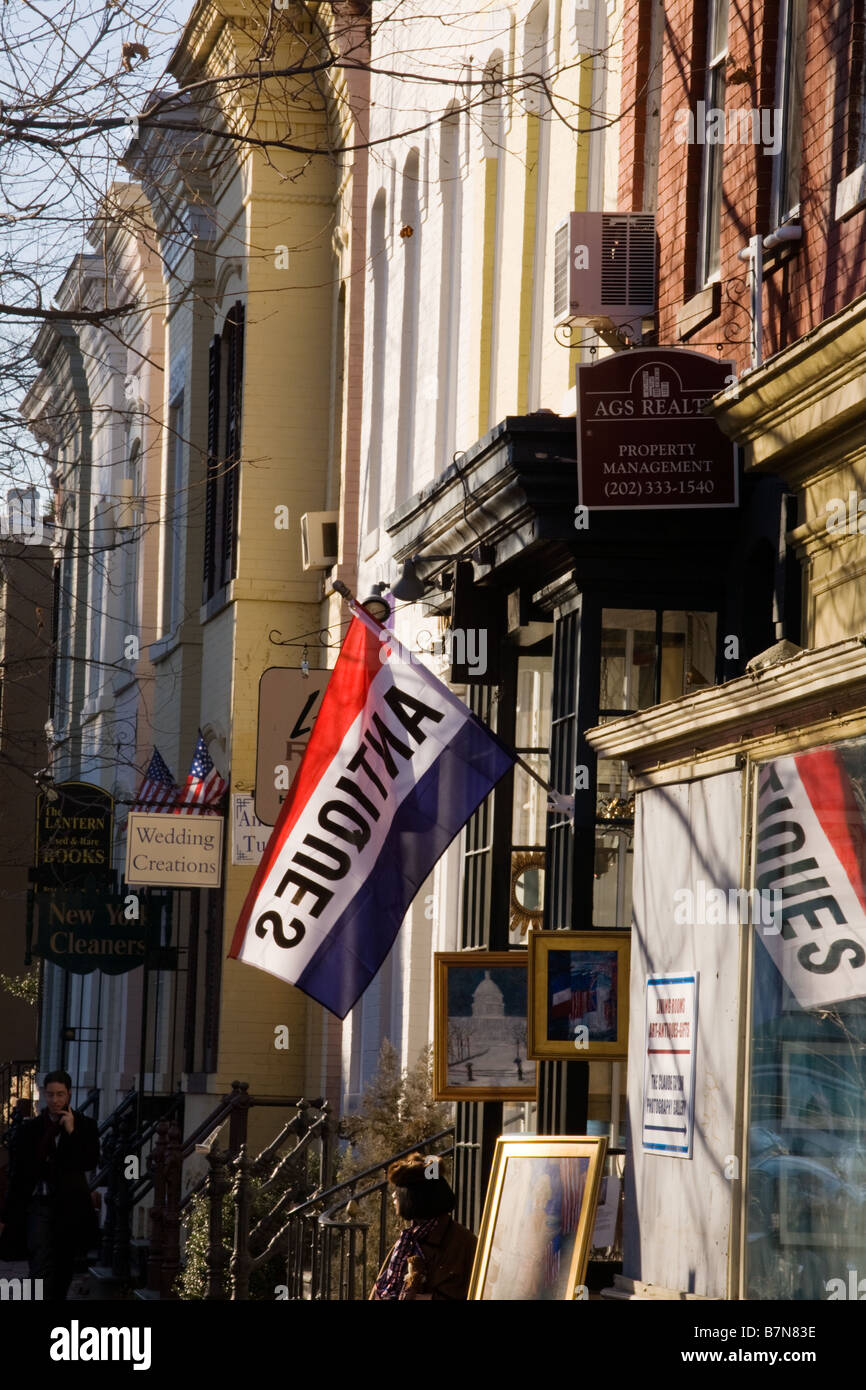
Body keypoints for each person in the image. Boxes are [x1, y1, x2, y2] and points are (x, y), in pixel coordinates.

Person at [0, 1069, 100, 1300]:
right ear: (44, 1094)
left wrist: (72, 1132)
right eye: (51, 1095)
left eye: (60, 1095)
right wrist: (6, 1216)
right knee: (39, 1263)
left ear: (70, 1095)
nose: (55, 1100)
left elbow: (88, 1162)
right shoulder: (30, 1129)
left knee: (63, 1267)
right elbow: (19, 1176)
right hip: (38, 1204)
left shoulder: (85, 1126)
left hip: (69, 1207)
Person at [370, 1152, 477, 1300]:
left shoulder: (460, 1243)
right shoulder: (410, 1238)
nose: (394, 1196)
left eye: (401, 1190)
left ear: (417, 1196)